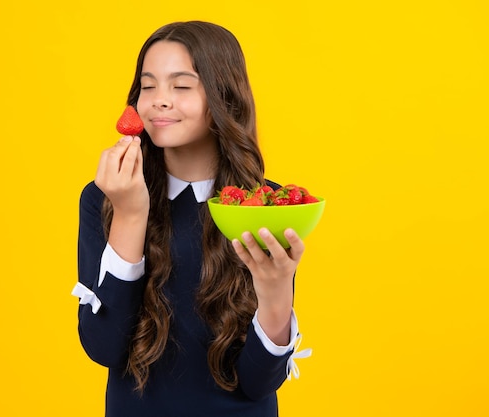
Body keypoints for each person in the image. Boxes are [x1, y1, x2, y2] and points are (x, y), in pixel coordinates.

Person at [71, 20, 311, 417]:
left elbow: (258, 382)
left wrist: (276, 293)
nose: (160, 101)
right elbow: (103, 346)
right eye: (148, 86)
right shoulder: (104, 196)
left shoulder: (263, 204)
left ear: (224, 98)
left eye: (181, 86)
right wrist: (131, 215)